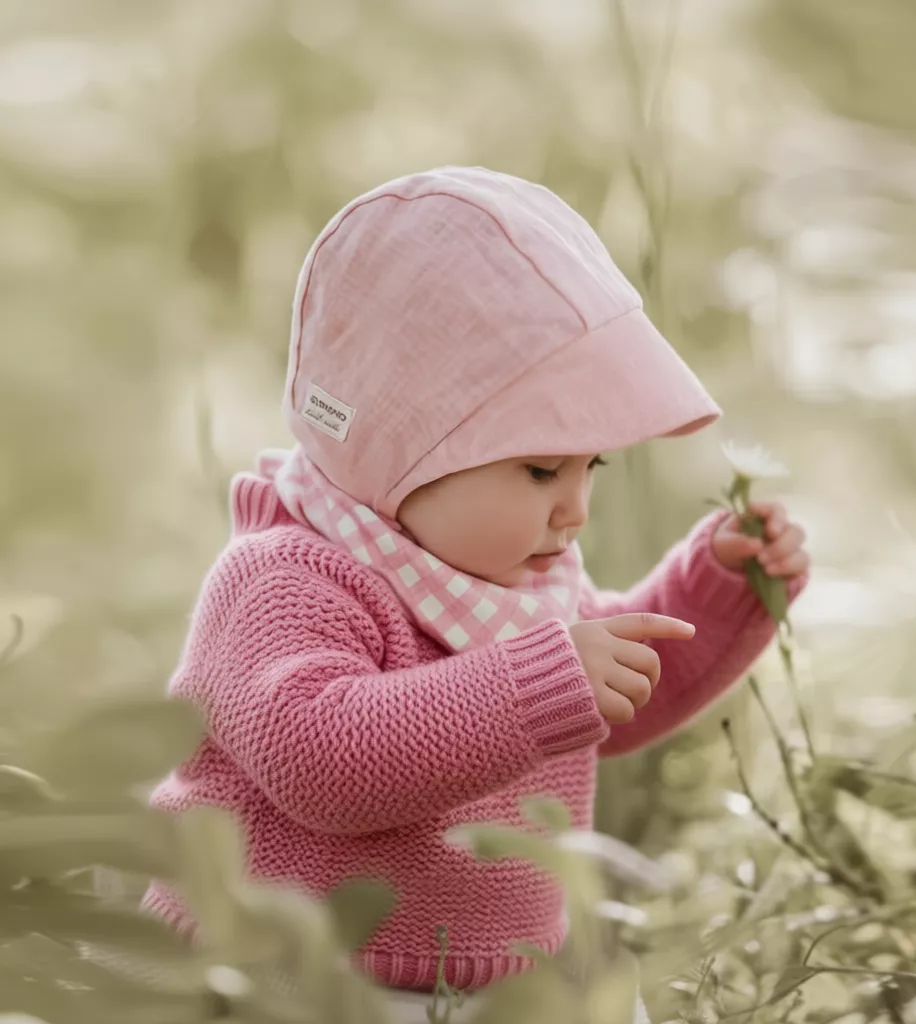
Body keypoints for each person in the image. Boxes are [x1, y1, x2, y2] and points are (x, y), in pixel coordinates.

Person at [142, 166, 809, 1022]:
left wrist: (721, 588)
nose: (576, 506)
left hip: (485, 982)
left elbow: (610, 694)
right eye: (540, 469)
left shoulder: (508, 582)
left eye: (588, 466)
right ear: (401, 448)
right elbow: (320, 757)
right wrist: (538, 684)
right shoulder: (282, 579)